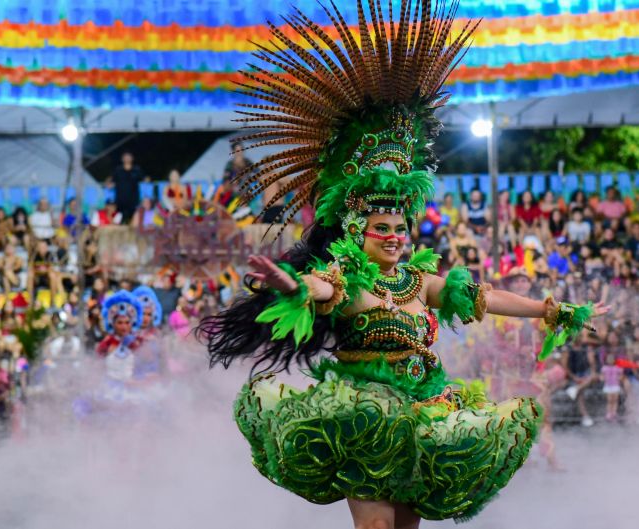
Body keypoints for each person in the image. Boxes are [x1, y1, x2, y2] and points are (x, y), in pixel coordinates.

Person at [197, 5, 609, 527]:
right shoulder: (345, 277)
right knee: (376, 526)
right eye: (382, 229)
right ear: (357, 233)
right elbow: (318, 290)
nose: (394, 237)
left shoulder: (419, 281)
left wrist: (551, 310)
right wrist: (289, 285)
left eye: (400, 229)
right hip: (361, 414)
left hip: (423, 407)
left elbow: (485, 297)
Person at [95, 290, 144, 358]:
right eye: (120, 323)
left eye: (127, 322)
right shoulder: (106, 344)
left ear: (133, 322)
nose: (124, 327)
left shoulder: (139, 342)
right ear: (112, 323)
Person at [113, 152, 145, 224]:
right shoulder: (118, 170)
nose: (127, 158)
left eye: (129, 156)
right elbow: (112, 181)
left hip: (133, 201)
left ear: (132, 158)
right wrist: (109, 183)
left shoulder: (137, 169)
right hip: (120, 200)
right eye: (125, 157)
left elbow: (144, 179)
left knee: (133, 221)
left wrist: (147, 179)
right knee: (119, 221)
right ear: (122, 159)